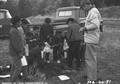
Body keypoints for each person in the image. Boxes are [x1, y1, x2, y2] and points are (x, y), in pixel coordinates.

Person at [79, 0, 102, 81]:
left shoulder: (93, 12)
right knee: (91, 59)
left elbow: (95, 25)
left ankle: (91, 78)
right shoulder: (93, 11)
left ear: (87, 5)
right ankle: (92, 76)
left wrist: (84, 28)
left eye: (83, 7)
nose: (83, 9)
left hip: (91, 40)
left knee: (90, 60)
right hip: (91, 39)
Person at [9, 16, 26, 82]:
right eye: (20, 21)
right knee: (18, 68)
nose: (21, 22)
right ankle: (13, 80)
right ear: (17, 22)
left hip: (14, 52)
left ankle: (11, 79)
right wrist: (19, 52)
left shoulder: (15, 29)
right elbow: (16, 44)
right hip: (16, 52)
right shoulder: (14, 31)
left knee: (14, 67)